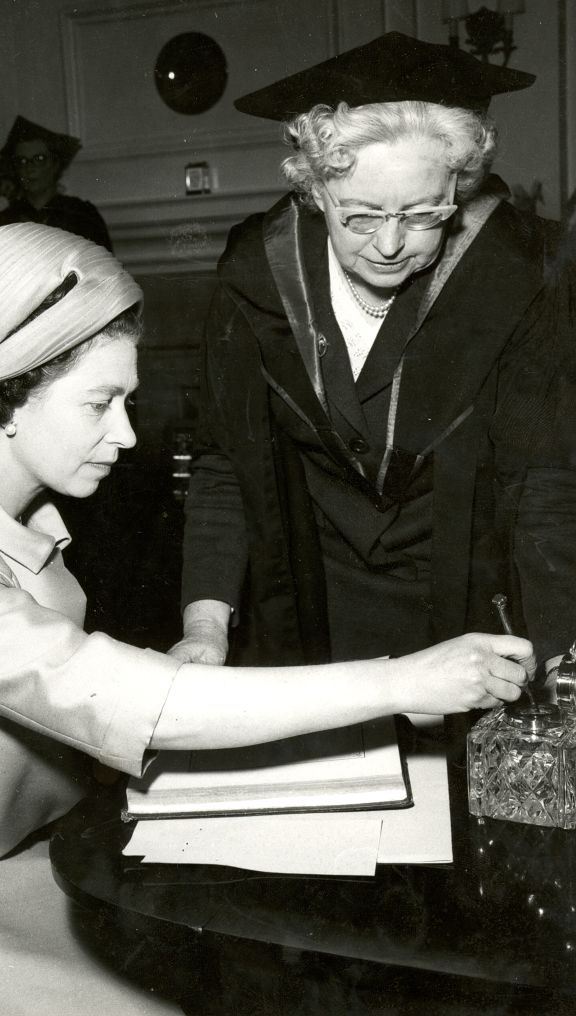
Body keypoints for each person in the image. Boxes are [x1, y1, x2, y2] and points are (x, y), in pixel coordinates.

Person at [0, 224, 531, 1015]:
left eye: (128, 400)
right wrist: (402, 680)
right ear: (9, 395)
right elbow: (116, 696)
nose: (124, 434)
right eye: (98, 403)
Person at [173, 32, 572, 679]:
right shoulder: (258, 273)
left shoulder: (519, 278)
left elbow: (548, 488)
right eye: (358, 215)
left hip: (470, 614)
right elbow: (225, 466)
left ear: (461, 187)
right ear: (312, 187)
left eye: (422, 215)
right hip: (308, 607)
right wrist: (205, 627)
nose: (389, 245)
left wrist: (563, 663)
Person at [0, 114, 112, 250]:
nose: (29, 168)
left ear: (55, 164)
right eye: (22, 161)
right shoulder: (5, 221)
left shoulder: (81, 215)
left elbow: (102, 267)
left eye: (39, 159)